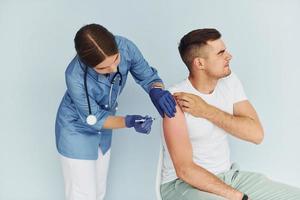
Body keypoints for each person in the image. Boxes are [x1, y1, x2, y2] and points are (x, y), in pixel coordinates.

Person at [160, 28, 300, 200]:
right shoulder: (175, 98)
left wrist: (206, 110)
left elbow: (256, 134)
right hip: (181, 185)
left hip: (228, 177)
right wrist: (238, 196)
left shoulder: (229, 81)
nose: (229, 56)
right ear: (200, 63)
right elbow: (185, 170)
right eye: (220, 53)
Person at [55, 23, 176, 200]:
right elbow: (94, 118)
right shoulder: (75, 76)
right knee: (83, 195)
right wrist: (129, 121)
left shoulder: (126, 47)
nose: (113, 69)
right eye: (103, 68)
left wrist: (156, 90)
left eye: (115, 60)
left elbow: (148, 77)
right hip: (76, 129)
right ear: (87, 64)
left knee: (99, 191)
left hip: (104, 130)